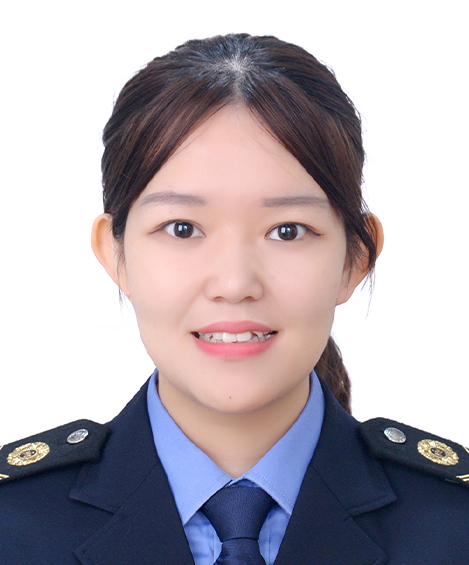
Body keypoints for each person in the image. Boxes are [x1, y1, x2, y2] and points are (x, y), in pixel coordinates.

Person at [1, 33, 469, 565]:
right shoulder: (13, 525)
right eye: (182, 228)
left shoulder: (454, 526)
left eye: (287, 230)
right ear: (115, 255)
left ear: (355, 259)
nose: (233, 282)